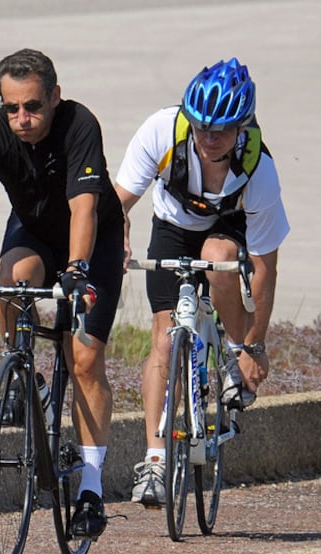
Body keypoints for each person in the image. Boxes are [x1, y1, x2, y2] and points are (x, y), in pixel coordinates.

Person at [0, 48, 124, 538]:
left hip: (92, 240)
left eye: (33, 106)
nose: (22, 118)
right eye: (12, 107)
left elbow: (84, 206)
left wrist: (78, 269)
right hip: (35, 229)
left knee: (83, 360)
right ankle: (28, 381)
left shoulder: (80, 124)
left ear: (54, 97)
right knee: (10, 277)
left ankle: (90, 488)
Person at [115, 58, 290, 507]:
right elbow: (117, 204)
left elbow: (266, 264)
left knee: (219, 258)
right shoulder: (161, 131)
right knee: (165, 341)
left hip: (226, 228)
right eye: (201, 127)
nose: (209, 138)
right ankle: (154, 461)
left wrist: (254, 344)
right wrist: (122, 238)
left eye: (223, 130)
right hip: (172, 226)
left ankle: (230, 354)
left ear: (243, 127)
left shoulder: (259, 169)